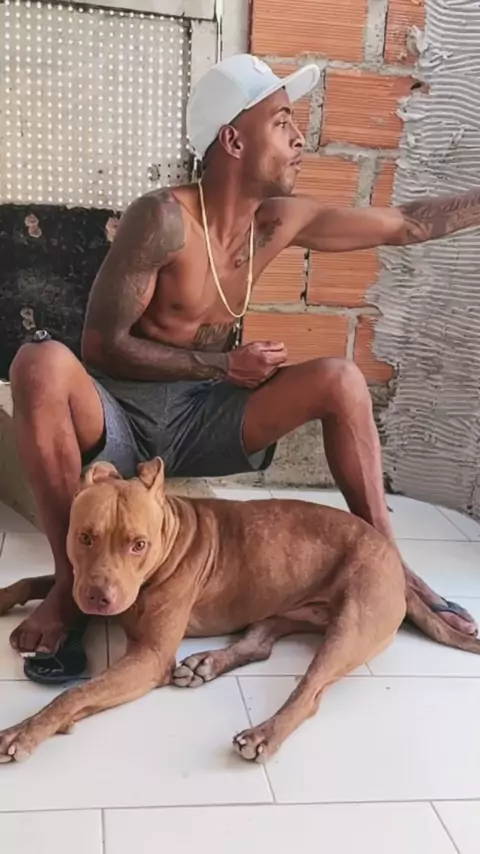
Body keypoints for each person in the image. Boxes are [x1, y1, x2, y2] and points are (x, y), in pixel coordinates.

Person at [8, 54, 479, 683]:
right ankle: (70, 590)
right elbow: (100, 347)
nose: (299, 138)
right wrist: (221, 362)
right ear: (232, 140)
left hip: (204, 415)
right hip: (123, 415)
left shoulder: (280, 221)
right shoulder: (163, 218)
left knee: (340, 380)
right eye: (281, 122)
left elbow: (408, 224)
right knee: (39, 362)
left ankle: (393, 570)